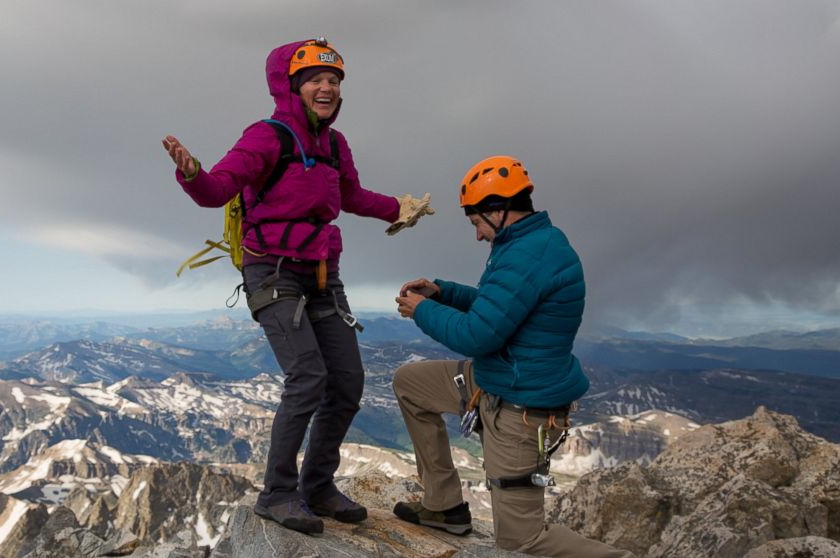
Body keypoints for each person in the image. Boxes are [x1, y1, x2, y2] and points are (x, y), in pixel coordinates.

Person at [162, 39, 432, 535]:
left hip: (323, 274)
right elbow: (219, 188)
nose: (327, 87)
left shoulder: (334, 144)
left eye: (334, 80)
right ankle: (278, 494)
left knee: (346, 381)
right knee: (308, 376)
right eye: (315, 80)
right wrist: (193, 173)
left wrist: (399, 208)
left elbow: (350, 196)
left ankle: (318, 486)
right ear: (291, 86)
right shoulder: (266, 136)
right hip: (274, 272)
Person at [391, 156, 634, 557]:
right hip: (498, 379)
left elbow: (478, 334)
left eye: (476, 223)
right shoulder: (526, 244)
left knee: (522, 542)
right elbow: (499, 305)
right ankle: (443, 506)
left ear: (498, 211)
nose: (477, 235)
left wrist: (422, 310)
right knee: (410, 384)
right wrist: (444, 292)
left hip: (522, 407)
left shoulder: (527, 255)